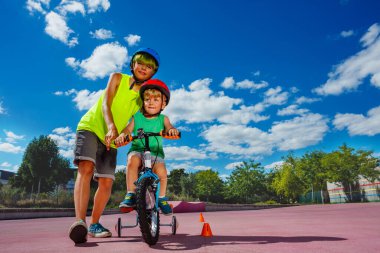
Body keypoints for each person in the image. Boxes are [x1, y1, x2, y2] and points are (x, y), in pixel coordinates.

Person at [69, 48, 160, 244]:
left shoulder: (142, 98)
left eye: (149, 66)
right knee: (85, 169)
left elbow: (132, 123)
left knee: (106, 182)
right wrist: (111, 127)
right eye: (141, 63)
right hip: (91, 127)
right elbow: (105, 104)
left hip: (112, 138)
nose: (144, 68)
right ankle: (80, 223)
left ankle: (94, 224)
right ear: (133, 64)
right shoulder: (117, 78)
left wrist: (124, 136)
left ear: (153, 72)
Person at [114, 79, 179, 215]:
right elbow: (127, 129)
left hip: (156, 153)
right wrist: (122, 135)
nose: (151, 102)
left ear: (163, 103)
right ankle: (131, 194)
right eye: (147, 98)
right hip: (137, 150)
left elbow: (169, 127)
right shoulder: (137, 117)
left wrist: (172, 131)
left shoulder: (163, 119)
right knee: (132, 161)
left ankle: (161, 198)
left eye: (156, 99)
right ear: (142, 101)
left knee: (161, 170)